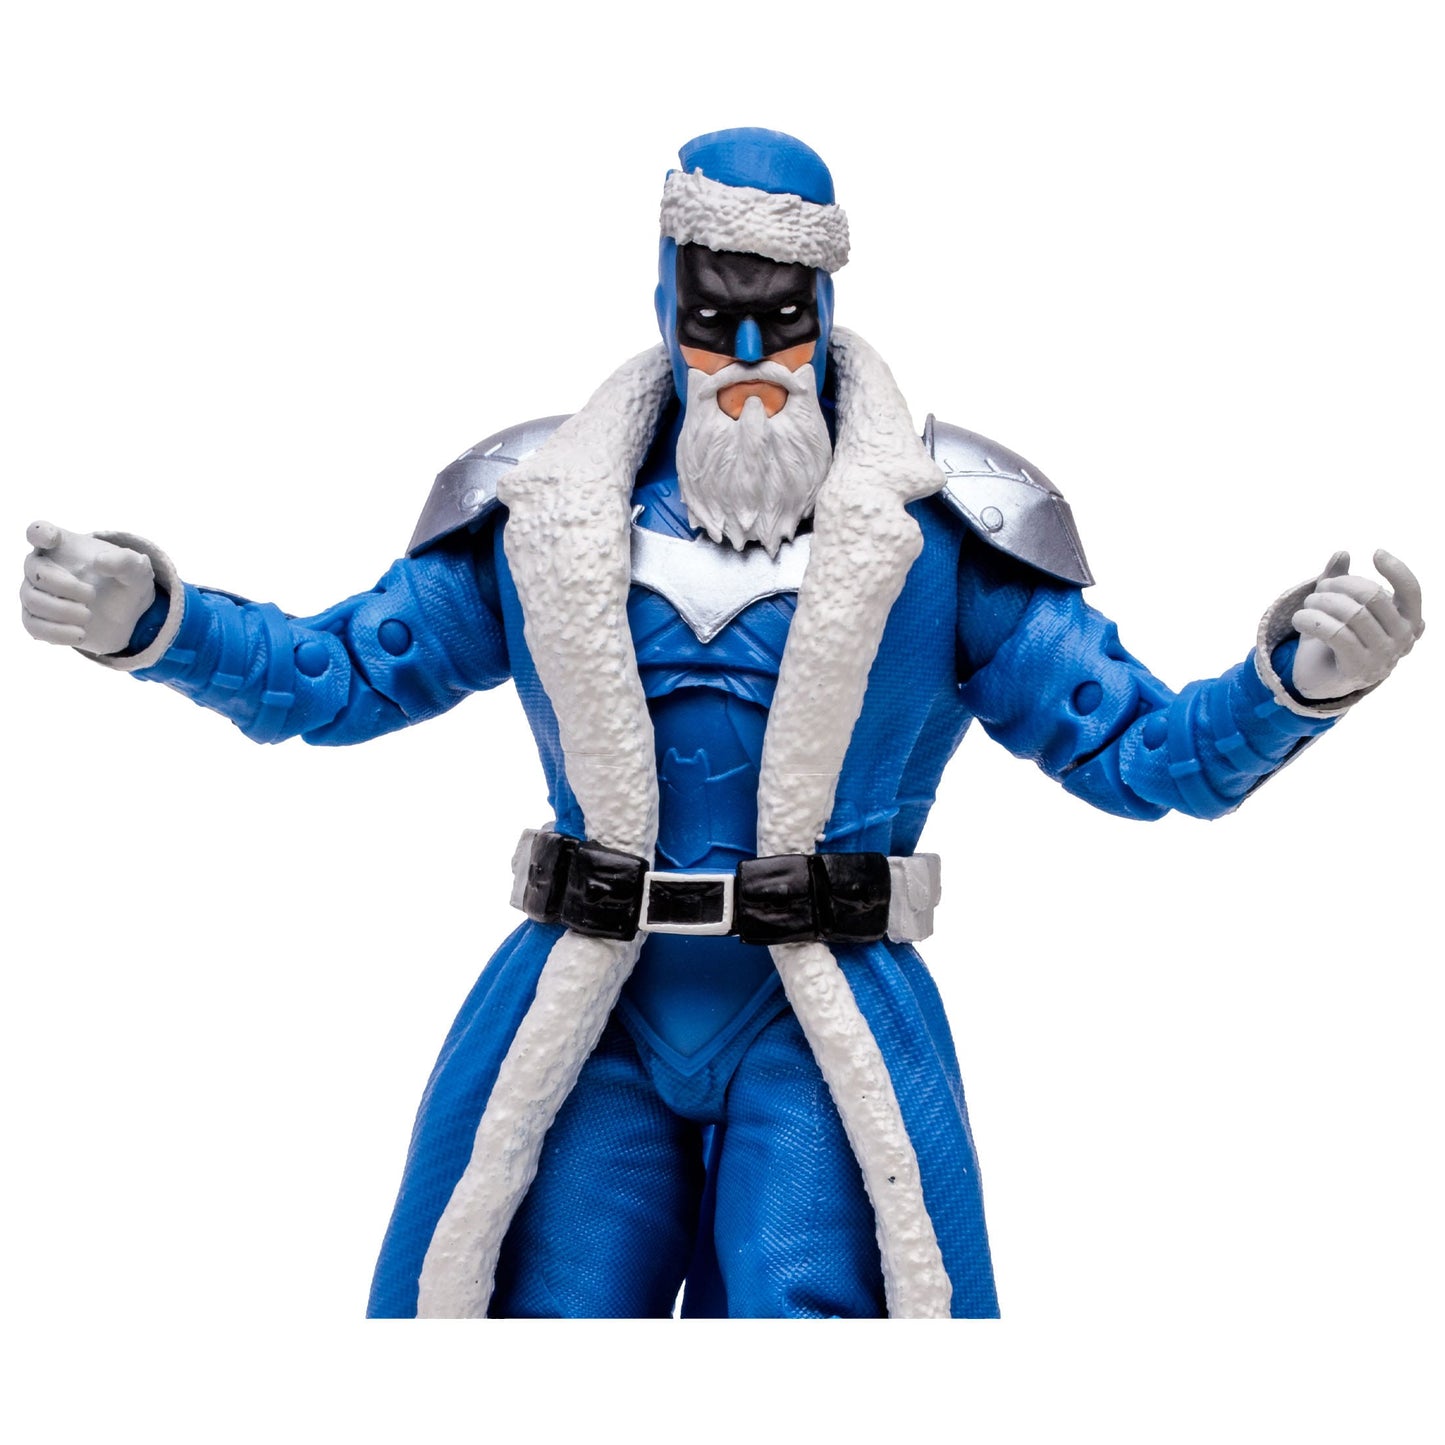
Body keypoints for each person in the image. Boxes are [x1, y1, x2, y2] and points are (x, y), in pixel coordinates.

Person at [18, 127, 1424, 1319]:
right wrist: (163, 623)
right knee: (537, 1315)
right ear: (664, 304)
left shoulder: (947, 527)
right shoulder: (541, 511)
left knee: (818, 1311)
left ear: (827, 305)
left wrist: (1290, 685)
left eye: (783, 321)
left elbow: (1140, 753)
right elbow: (338, 676)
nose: (751, 358)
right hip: (595, 1016)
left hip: (814, 1019)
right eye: (714, 321)